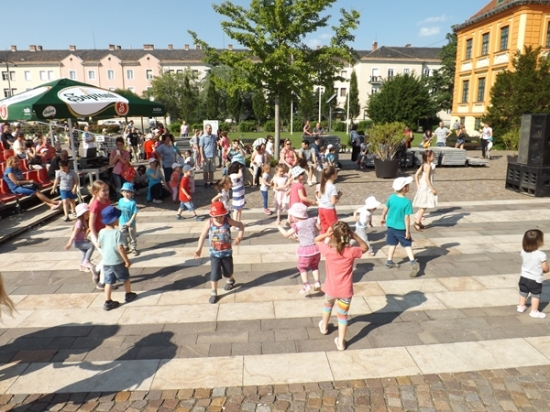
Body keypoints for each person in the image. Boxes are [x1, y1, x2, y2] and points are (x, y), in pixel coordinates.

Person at [316, 221, 368, 351]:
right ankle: (341, 343)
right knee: (343, 316)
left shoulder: (328, 251)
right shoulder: (352, 251)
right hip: (346, 291)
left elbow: (316, 240)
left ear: (333, 235)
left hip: (331, 289)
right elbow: (365, 247)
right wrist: (355, 235)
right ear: (347, 235)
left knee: (327, 306)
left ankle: (324, 327)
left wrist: (326, 234)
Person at [194, 201, 244, 304]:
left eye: (221, 216)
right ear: (212, 216)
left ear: (224, 214)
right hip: (214, 254)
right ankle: (214, 293)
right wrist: (199, 249)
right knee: (214, 273)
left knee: (228, 271)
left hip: (226, 253)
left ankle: (230, 280)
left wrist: (239, 237)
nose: (219, 219)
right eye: (216, 217)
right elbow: (203, 235)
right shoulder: (209, 222)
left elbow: (240, 225)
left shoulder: (227, 221)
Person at [98, 206, 137, 311]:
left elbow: (99, 244)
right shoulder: (117, 233)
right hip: (117, 261)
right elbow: (120, 248)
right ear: (113, 220)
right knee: (125, 278)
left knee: (108, 282)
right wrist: (127, 260)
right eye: (117, 218)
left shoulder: (101, 231)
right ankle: (128, 294)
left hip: (106, 261)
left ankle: (108, 302)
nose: (118, 219)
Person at [277, 203, 321, 294]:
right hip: (316, 249)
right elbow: (319, 228)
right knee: (314, 266)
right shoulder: (312, 220)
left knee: (302, 267)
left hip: (305, 251)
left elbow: (286, 234)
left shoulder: (297, 225)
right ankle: (317, 282)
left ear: (295, 217)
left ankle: (306, 285)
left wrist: (278, 226)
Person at [380, 176, 419, 278]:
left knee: (392, 244)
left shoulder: (392, 197)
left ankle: (389, 261)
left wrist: (383, 217)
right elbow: (407, 218)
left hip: (390, 226)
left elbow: (385, 208)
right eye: (408, 185)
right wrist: (407, 231)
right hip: (401, 228)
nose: (409, 187)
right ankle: (412, 262)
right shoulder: (407, 202)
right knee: (407, 245)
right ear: (404, 188)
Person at [518, 229, 549, 319]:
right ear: (539, 242)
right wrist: (546, 270)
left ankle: (521, 306)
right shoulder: (541, 255)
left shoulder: (523, 251)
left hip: (523, 277)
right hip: (535, 279)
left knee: (523, 292)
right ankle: (534, 311)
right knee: (535, 295)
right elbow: (545, 268)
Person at [65, 203, 98, 278]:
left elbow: (83, 233)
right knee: (91, 246)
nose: (88, 215)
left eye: (88, 213)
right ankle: (86, 262)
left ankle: (81, 266)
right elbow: (73, 234)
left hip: (81, 241)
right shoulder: (79, 223)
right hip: (77, 242)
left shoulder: (84, 221)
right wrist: (69, 243)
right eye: (86, 213)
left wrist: (86, 235)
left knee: (84, 253)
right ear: (81, 214)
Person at [412, 150, 438, 232]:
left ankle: (418, 222)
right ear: (428, 157)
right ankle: (417, 223)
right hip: (426, 187)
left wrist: (417, 184)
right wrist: (432, 189)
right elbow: (427, 178)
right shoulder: (429, 166)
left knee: (423, 204)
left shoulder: (423, 165)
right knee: (424, 205)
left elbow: (416, 174)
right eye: (432, 156)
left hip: (423, 186)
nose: (434, 157)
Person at [318, 166, 342, 233]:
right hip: (329, 209)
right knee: (333, 227)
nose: (337, 174)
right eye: (336, 173)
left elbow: (319, 195)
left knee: (324, 227)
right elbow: (333, 202)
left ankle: (323, 238)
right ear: (332, 176)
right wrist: (339, 195)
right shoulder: (332, 187)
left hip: (321, 208)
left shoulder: (323, 184)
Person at [118, 182, 139, 256]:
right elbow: (119, 210)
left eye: (128, 192)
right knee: (122, 235)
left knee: (132, 235)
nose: (126, 194)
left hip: (131, 223)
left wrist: (130, 221)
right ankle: (126, 246)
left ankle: (133, 248)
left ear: (132, 193)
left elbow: (135, 213)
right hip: (122, 222)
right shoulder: (120, 200)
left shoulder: (132, 203)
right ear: (122, 192)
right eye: (124, 192)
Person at [199, 124, 218, 188]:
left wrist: (215, 150)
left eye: (210, 128)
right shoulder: (202, 137)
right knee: (205, 171)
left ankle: (211, 182)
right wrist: (202, 156)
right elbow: (201, 147)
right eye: (209, 128)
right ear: (206, 129)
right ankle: (205, 182)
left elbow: (215, 143)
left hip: (212, 155)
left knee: (211, 170)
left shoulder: (213, 137)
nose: (210, 130)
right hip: (205, 156)